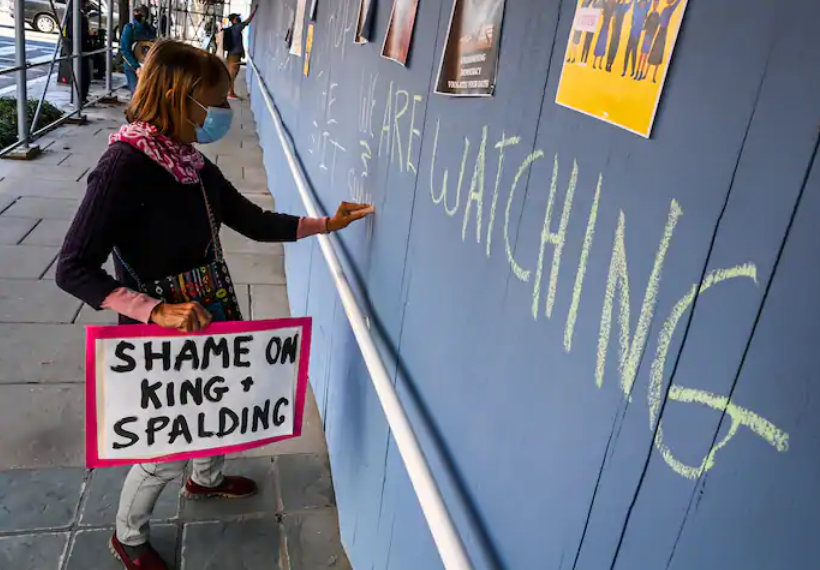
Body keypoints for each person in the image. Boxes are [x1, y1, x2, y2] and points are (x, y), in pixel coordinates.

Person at [55, 40, 373, 570]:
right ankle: (127, 535)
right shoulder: (122, 167)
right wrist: (155, 310)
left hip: (214, 309)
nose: (225, 110)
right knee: (165, 448)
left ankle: (205, 480)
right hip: (160, 335)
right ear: (181, 98)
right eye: (217, 99)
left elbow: (251, 219)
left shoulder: (191, 162)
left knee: (219, 410)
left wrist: (325, 224)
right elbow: (72, 267)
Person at [120, 5, 156, 94]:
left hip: (147, 65)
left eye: (140, 13)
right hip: (133, 66)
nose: (137, 15)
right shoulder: (130, 28)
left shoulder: (150, 29)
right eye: (136, 13)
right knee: (136, 92)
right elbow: (125, 50)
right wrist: (136, 67)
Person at [224, 6, 258, 99]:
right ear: (234, 20)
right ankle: (230, 93)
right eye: (237, 17)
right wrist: (254, 11)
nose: (239, 18)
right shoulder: (237, 27)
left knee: (232, 74)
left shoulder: (231, 28)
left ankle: (230, 92)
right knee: (232, 74)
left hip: (231, 54)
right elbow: (247, 21)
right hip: (234, 55)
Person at [64, 0, 93, 103]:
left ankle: (81, 98)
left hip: (81, 50)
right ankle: (77, 99)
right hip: (78, 50)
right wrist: (89, 35)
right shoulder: (76, 15)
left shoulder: (79, 14)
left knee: (84, 76)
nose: (87, 5)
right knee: (80, 75)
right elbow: (74, 33)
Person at [622, 0, 649, 77]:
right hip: (631, 34)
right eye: (642, 2)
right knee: (627, 52)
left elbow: (649, 3)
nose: (643, 4)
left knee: (634, 53)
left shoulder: (645, 10)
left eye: (644, 3)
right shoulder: (636, 8)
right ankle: (624, 70)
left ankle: (632, 71)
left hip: (637, 36)